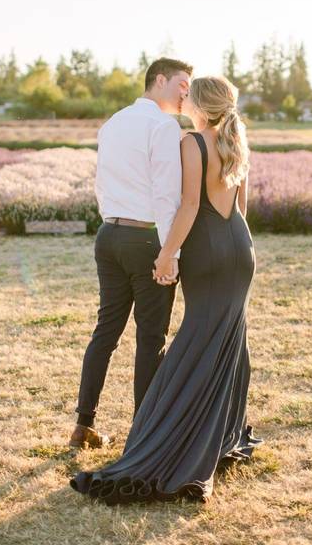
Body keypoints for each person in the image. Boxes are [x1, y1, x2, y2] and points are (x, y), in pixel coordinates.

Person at [70, 75, 261, 503]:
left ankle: (175, 438)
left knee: (195, 339)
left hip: (206, 251)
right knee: (229, 339)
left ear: (198, 104)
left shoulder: (191, 143)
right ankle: (222, 431)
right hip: (240, 245)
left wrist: (166, 252)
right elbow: (241, 207)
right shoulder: (238, 140)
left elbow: (190, 205)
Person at [68, 58, 192, 450]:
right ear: (159, 80)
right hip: (145, 239)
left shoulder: (114, 123)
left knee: (105, 332)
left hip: (109, 235)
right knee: (150, 338)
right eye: (181, 84)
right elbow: (166, 193)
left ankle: (83, 424)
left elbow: (102, 184)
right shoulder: (163, 127)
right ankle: (144, 433)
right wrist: (169, 251)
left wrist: (112, 220)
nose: (186, 93)